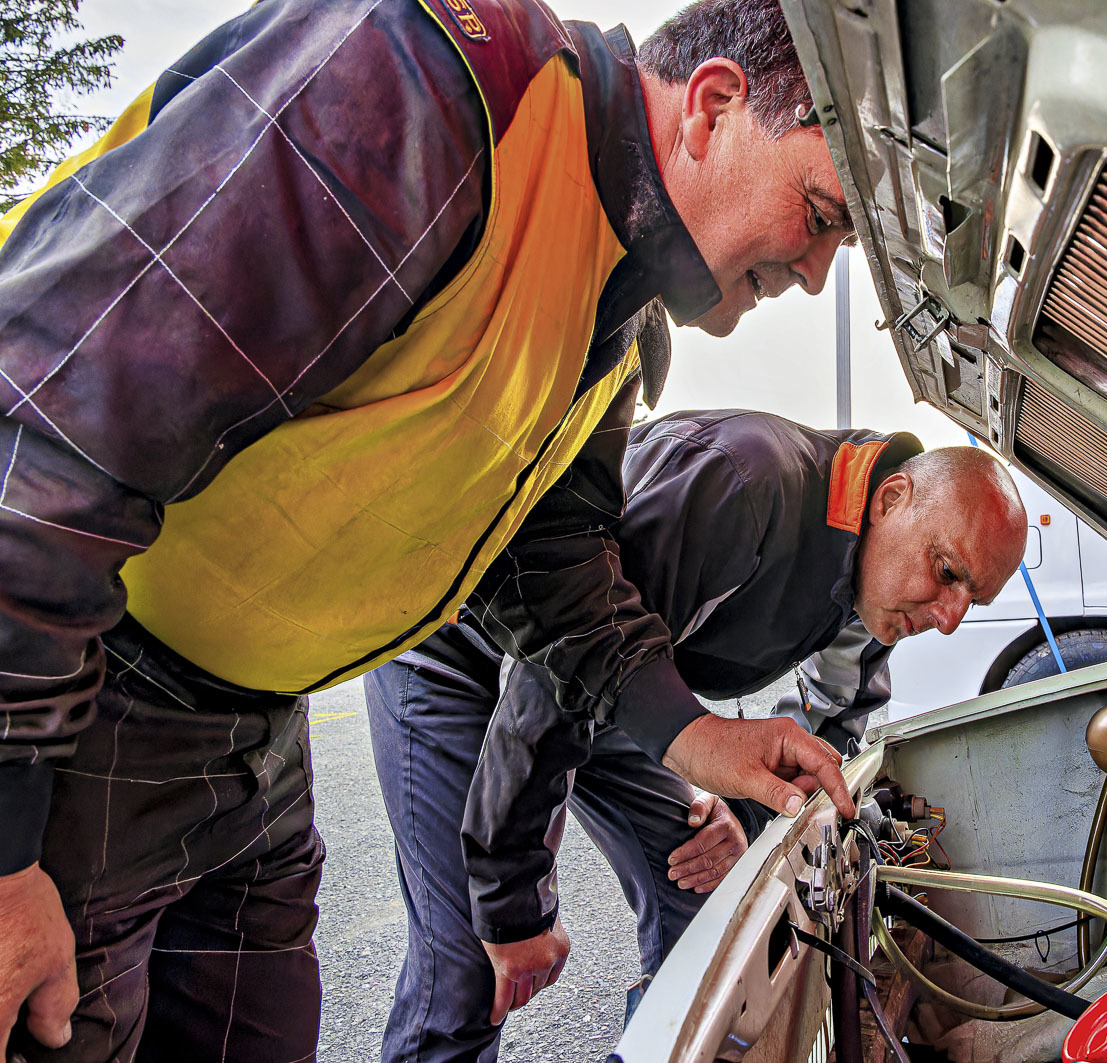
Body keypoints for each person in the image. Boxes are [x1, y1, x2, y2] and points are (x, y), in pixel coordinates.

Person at [0, 0, 861, 1058]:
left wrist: (697, 735)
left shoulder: (616, 313)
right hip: (86, 691)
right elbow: (51, 411)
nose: (815, 273)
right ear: (714, 106)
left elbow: (550, 563)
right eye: (820, 214)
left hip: (256, 737)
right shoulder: (432, 92)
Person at [367, 411, 1030, 1060]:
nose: (949, 618)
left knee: (701, 895)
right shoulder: (743, 483)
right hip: (462, 644)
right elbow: (564, 651)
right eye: (947, 572)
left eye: (971, 600)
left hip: (609, 684)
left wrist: (744, 817)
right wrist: (512, 897)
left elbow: (823, 732)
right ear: (891, 498)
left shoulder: (874, 587)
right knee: (472, 961)